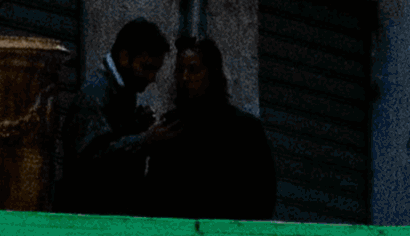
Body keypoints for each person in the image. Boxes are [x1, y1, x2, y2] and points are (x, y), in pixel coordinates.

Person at [148, 36, 275, 224]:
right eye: (179, 70)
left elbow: (262, 198)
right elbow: (153, 196)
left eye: (193, 70)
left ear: (212, 73)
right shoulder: (169, 128)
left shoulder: (245, 130)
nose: (184, 78)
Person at [61, 17, 171, 217]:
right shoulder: (96, 93)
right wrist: (145, 139)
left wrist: (137, 126)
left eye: (155, 70)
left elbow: (113, 137)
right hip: (88, 221)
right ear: (124, 57)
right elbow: (92, 161)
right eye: (146, 68)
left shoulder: (122, 90)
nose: (151, 78)